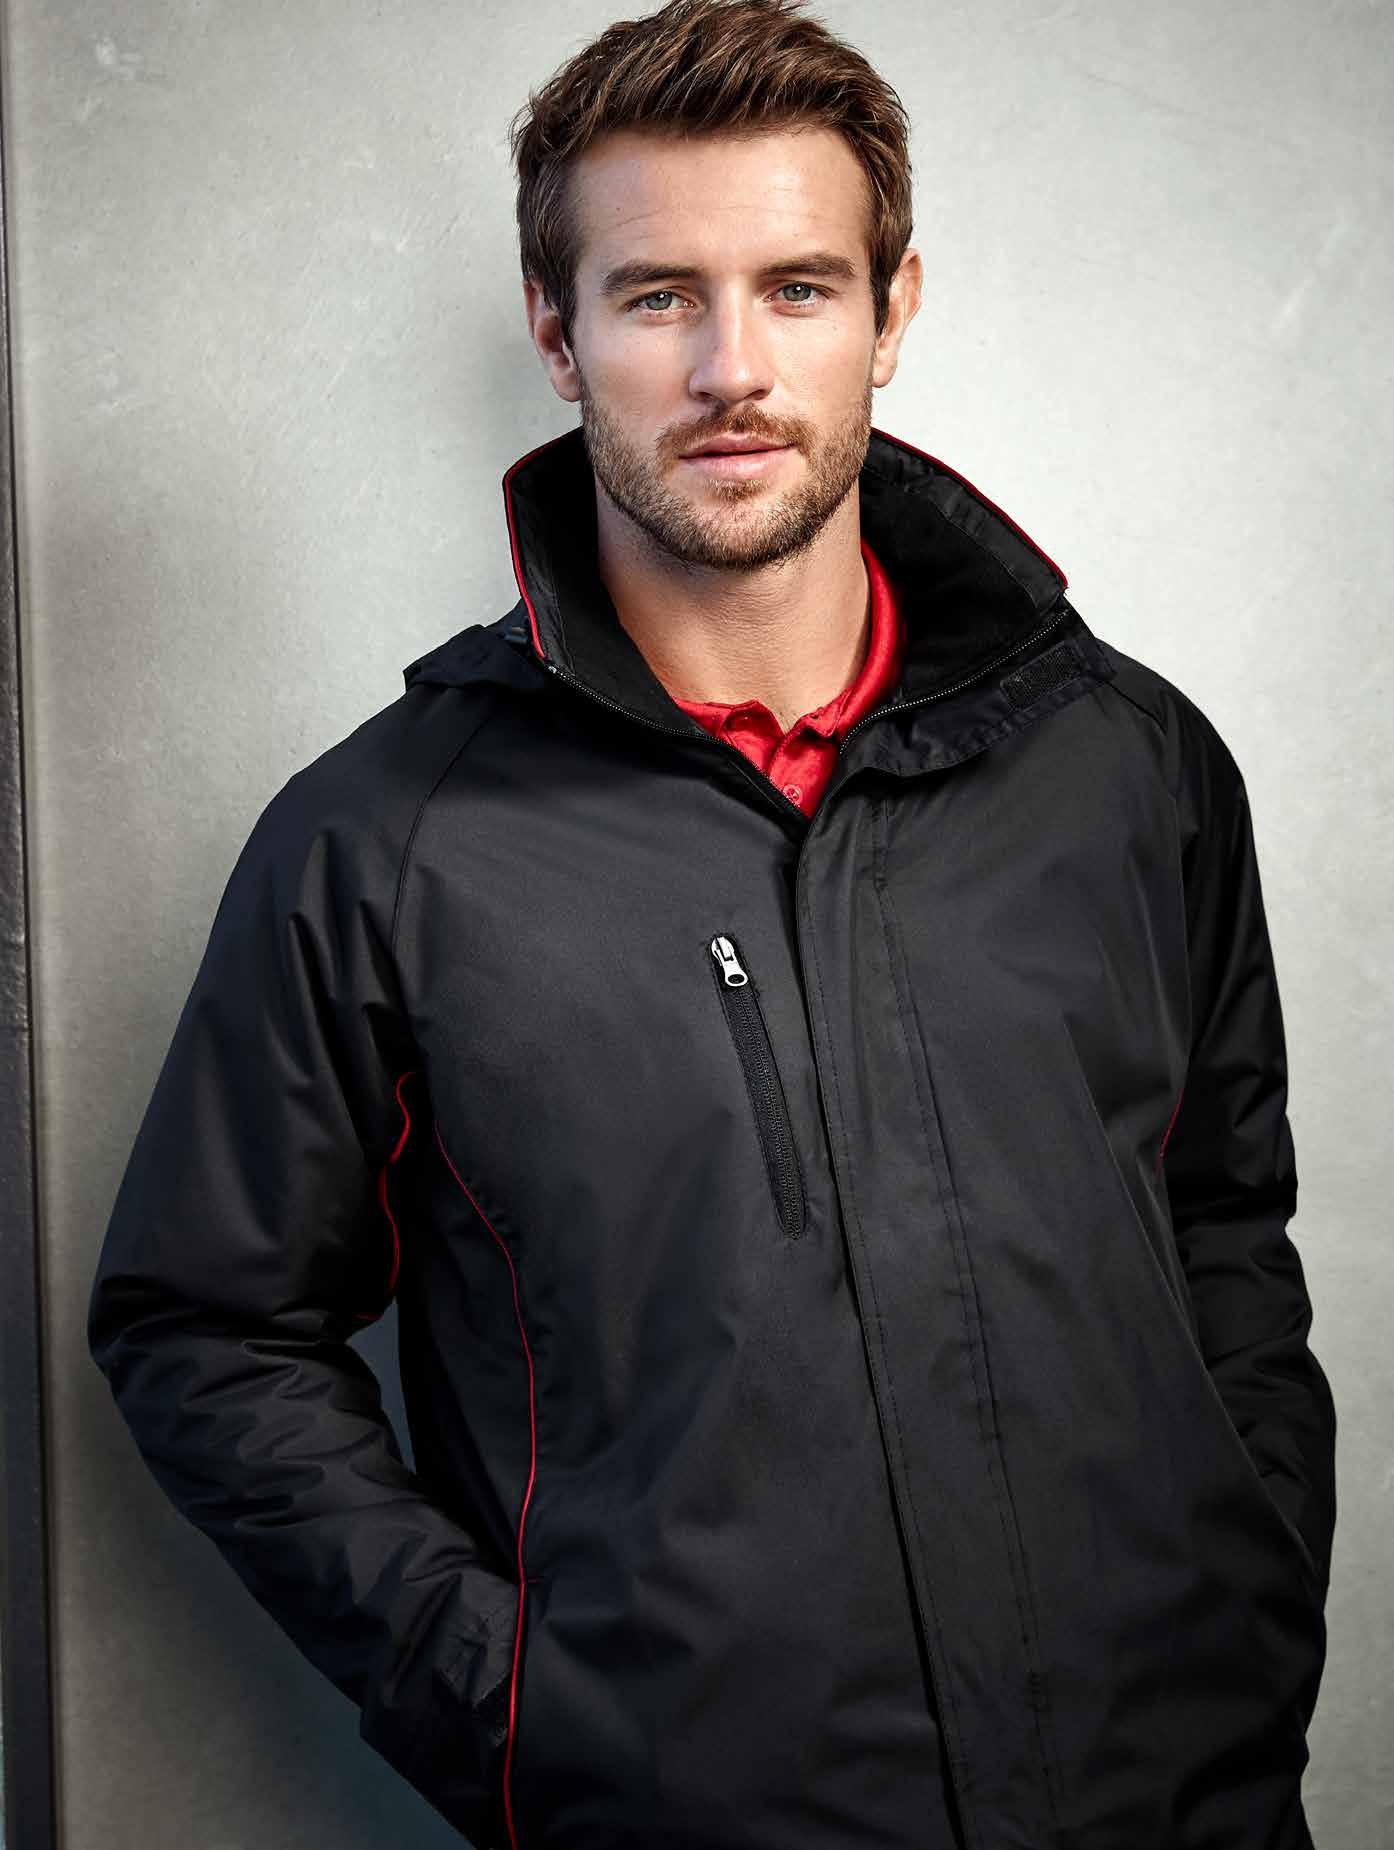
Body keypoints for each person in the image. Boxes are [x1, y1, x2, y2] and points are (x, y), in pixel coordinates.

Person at [87, 1, 1338, 1845]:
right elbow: (203, 1322)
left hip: (1183, 1804)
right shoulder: (384, 843)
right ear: (555, 331)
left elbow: (1221, 1221)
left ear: (892, 311)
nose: (729, 367)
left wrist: (1250, 1594)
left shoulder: (1128, 767)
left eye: (798, 288)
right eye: (658, 294)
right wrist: (520, 1713)